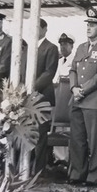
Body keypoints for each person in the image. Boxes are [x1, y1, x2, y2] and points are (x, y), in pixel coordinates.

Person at [68, 7, 97, 185]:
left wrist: (82, 89)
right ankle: (76, 174)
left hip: (94, 101)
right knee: (77, 139)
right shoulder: (81, 47)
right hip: (77, 99)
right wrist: (73, 88)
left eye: (93, 25)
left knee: (95, 141)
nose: (88, 28)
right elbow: (72, 69)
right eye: (88, 25)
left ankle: (94, 176)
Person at [31, 18, 59, 173]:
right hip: (26, 98)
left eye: (36, 28)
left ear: (44, 29)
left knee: (41, 134)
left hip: (42, 97)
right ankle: (26, 167)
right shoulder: (27, 48)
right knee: (28, 133)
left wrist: (32, 87)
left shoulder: (51, 48)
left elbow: (49, 73)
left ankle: (39, 170)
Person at [52, 33, 75, 166]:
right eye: (61, 44)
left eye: (65, 44)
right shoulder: (59, 60)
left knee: (67, 130)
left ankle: (66, 159)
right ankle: (58, 159)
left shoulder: (75, 60)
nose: (62, 47)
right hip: (58, 98)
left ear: (72, 45)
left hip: (68, 98)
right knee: (57, 127)